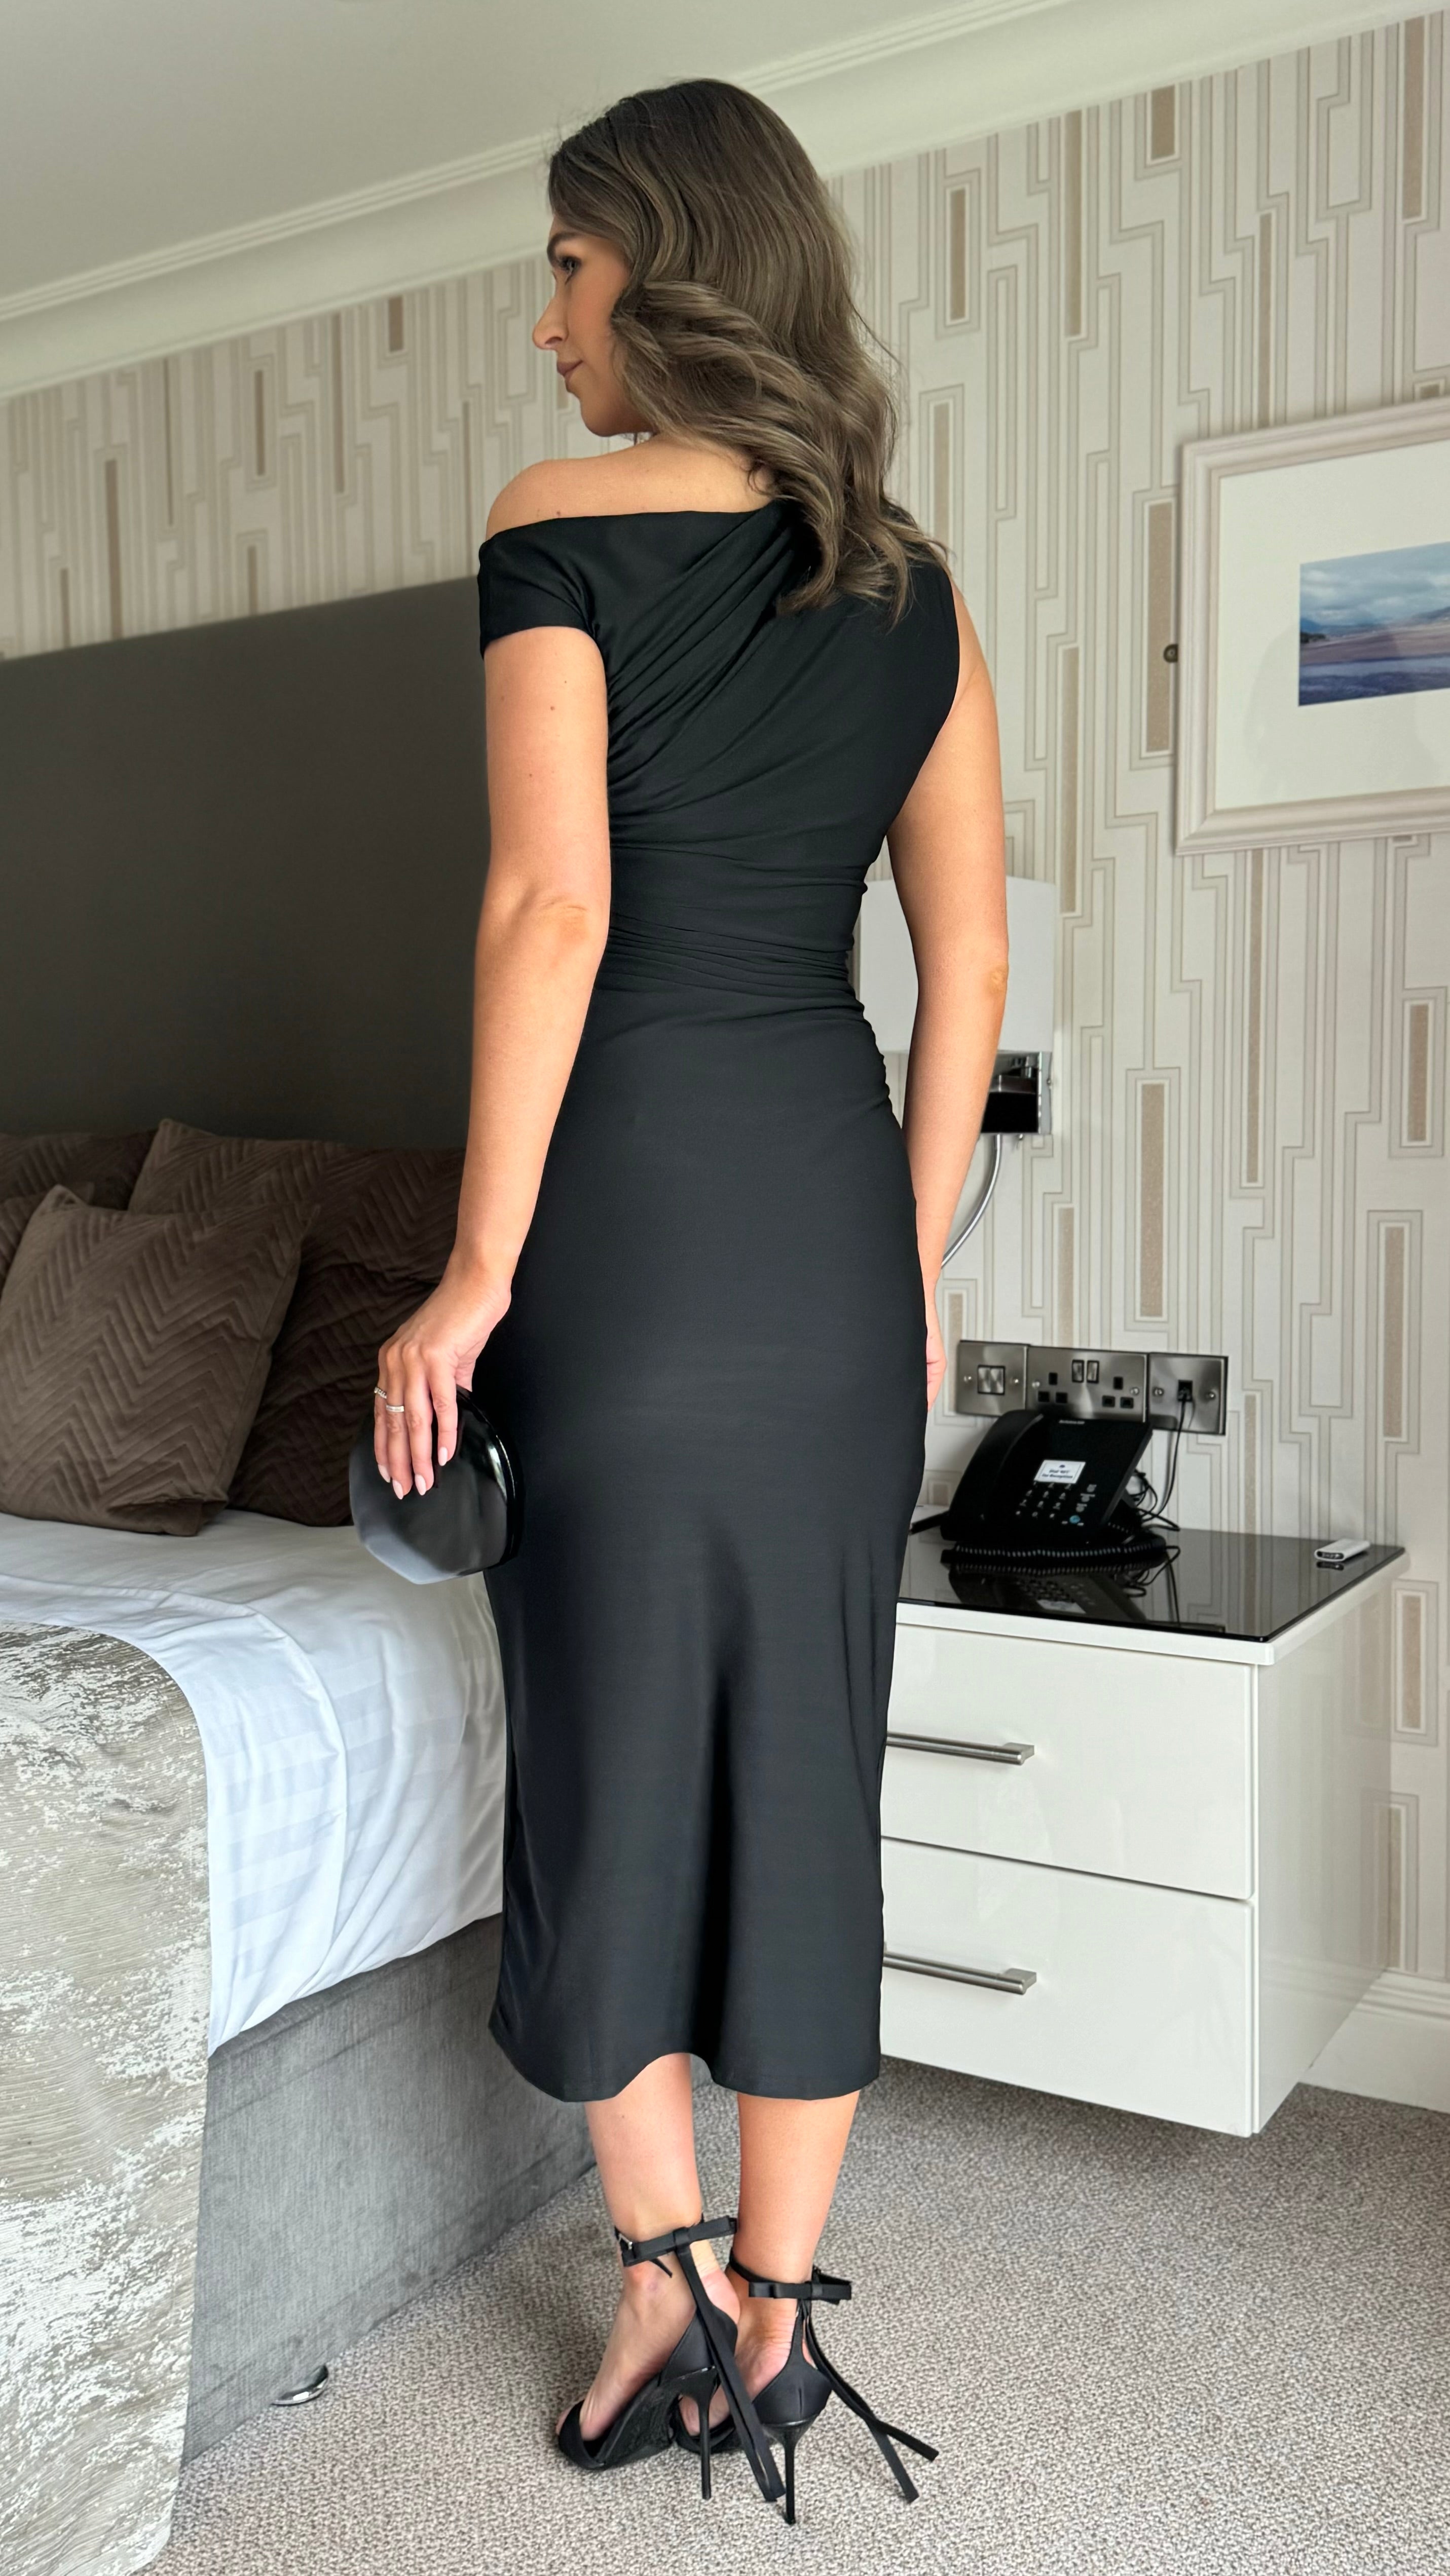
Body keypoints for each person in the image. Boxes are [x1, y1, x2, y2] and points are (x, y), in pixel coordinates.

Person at [374, 76, 1007, 2524]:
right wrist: (908, 1260)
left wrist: (475, 1265)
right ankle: (774, 2313)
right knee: (807, 1770)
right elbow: (964, 967)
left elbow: (552, 909)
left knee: (606, 1759)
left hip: (622, 1233)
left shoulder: (555, 527)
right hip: (827, 1236)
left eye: (567, 266)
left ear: (664, 262)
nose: (547, 322)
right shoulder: (908, 588)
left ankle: (654, 2288)